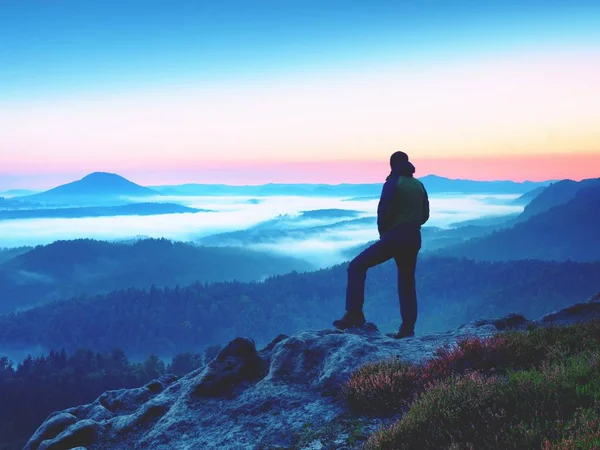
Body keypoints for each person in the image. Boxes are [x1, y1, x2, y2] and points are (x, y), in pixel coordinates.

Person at [333, 151, 429, 338]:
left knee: (356, 266)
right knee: (407, 282)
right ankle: (407, 329)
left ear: (392, 165)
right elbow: (425, 215)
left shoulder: (393, 183)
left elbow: (382, 212)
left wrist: (385, 233)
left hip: (395, 236)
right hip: (414, 237)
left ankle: (354, 314)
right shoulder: (419, 185)